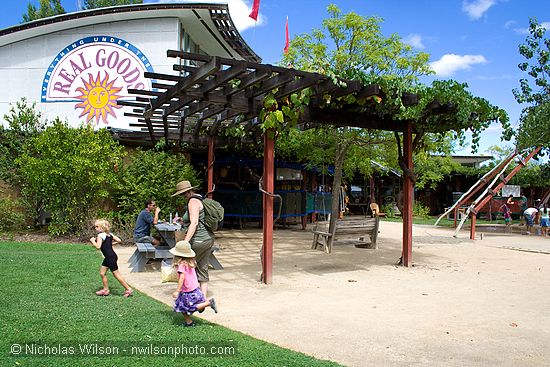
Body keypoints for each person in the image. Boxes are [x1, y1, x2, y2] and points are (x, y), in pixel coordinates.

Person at [172, 181, 214, 295]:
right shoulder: (200, 198)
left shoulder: (192, 202)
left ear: (186, 192)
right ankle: (202, 298)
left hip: (198, 239)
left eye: (182, 194)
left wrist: (185, 242)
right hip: (208, 239)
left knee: (186, 267)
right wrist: (183, 220)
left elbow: (194, 222)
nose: (182, 196)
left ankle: (190, 295)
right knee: (203, 267)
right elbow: (197, 218)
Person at [170, 240, 217, 327]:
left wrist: (177, 290)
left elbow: (182, 278)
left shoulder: (181, 266)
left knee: (187, 308)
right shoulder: (191, 263)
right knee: (181, 307)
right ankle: (189, 322)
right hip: (195, 289)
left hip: (188, 292)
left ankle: (208, 303)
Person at [90, 219, 133, 297]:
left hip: (110, 257)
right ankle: (106, 290)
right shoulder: (109, 234)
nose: (95, 228)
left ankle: (128, 289)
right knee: (102, 273)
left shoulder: (100, 236)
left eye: (97, 226)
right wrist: (110, 244)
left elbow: (98, 246)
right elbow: (119, 240)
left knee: (116, 274)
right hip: (110, 256)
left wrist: (93, 241)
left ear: (101, 227)